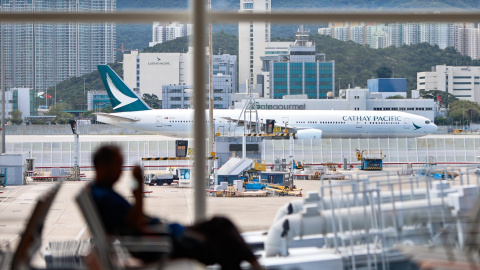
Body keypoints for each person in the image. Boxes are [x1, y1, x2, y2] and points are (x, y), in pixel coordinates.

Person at [90, 145, 261, 270]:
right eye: (117, 166)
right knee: (221, 238)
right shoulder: (104, 197)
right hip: (163, 241)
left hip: (163, 233)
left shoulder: (101, 193)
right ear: (102, 166)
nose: (121, 171)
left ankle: (253, 262)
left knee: (220, 224)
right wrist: (138, 190)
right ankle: (254, 263)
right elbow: (135, 225)